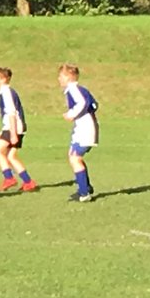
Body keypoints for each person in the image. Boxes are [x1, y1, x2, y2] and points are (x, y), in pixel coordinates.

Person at [0, 67, 36, 193]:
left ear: (4, 79)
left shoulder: (6, 92)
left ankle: (9, 178)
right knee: (11, 156)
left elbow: (11, 113)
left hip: (13, 127)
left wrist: (13, 133)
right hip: (15, 127)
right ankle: (28, 182)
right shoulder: (6, 92)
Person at [59, 63, 100, 202]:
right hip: (83, 127)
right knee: (74, 156)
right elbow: (94, 105)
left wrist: (72, 113)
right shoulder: (81, 89)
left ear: (67, 77)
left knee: (75, 158)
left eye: (61, 76)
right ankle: (85, 187)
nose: (59, 79)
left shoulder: (73, 89)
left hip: (85, 128)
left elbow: (82, 103)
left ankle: (84, 193)